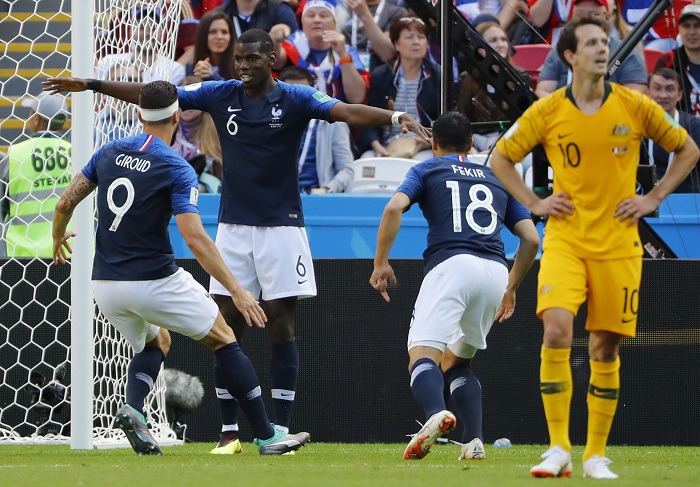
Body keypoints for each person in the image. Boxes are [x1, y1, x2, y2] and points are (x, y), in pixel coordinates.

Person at [44, 28, 430, 454]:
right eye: (238, 59)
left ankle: (279, 427)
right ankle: (230, 432)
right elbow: (157, 96)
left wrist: (394, 117)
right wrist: (93, 84)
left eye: (251, 59)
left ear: (272, 60)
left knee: (281, 324)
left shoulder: (297, 98)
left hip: (283, 227)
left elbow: (346, 111)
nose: (243, 66)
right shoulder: (219, 93)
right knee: (227, 325)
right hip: (231, 228)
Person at [51, 80, 311, 457]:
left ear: (139, 115)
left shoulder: (107, 151)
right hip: (154, 280)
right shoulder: (176, 166)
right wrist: (237, 290)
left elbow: (64, 203)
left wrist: (58, 237)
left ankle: (134, 407)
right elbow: (194, 237)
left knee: (158, 341)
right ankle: (268, 436)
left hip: (105, 284)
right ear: (177, 116)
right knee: (224, 338)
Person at [489, 16, 699, 479]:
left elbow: (687, 149)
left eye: (605, 42)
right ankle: (559, 448)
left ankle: (594, 455)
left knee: (605, 348)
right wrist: (534, 202)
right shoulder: (547, 111)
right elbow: (501, 157)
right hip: (565, 240)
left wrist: (654, 197)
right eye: (591, 43)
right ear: (569, 56)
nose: (602, 50)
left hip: (620, 245)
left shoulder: (634, 105)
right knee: (557, 331)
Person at [369, 111, 540, 461]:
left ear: (433, 144)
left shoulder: (426, 168)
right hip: (495, 271)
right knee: (458, 363)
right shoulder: (496, 178)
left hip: (452, 266)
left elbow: (393, 209)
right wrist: (511, 287)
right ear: (472, 144)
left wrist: (381, 262)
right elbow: (531, 239)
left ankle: (435, 412)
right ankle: (474, 440)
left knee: (421, 356)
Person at [0, 92, 71, 258]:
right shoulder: (77, 153)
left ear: (37, 119)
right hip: (71, 251)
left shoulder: (15, 155)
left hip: (24, 255)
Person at [358, 14, 437, 160]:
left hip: (424, 145)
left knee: (420, 164)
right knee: (366, 160)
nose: (416, 42)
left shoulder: (438, 75)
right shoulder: (381, 76)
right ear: (396, 44)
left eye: (421, 37)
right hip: (386, 145)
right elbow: (369, 119)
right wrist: (376, 145)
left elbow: (446, 121)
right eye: (409, 37)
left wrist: (428, 141)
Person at [535, 0, 648, 99]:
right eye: (580, 15)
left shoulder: (626, 52)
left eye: (594, 14)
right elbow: (542, 91)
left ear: (607, 17)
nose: (586, 20)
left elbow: (635, 97)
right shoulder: (559, 51)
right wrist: (568, 109)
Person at [456, 21, 531, 152]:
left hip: (509, 141)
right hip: (475, 141)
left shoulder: (521, 77)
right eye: (493, 40)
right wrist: (469, 147)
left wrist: (496, 149)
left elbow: (524, 123)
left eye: (503, 39)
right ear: (478, 46)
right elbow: (460, 119)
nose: (500, 45)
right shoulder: (465, 79)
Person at [275, 0, 369, 104]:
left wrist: (343, 55)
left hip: (337, 117)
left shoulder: (347, 51)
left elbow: (357, 98)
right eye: (310, 15)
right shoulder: (292, 43)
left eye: (323, 16)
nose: (317, 20)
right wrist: (274, 39)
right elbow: (275, 62)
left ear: (334, 23)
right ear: (302, 22)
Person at [278, 66, 354, 193]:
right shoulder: (268, 122)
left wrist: (327, 189)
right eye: (290, 93)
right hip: (278, 197)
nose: (296, 99)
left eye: (302, 94)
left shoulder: (333, 124)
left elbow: (346, 170)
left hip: (315, 197)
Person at [95, 8, 185, 86]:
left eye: (153, 28)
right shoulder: (108, 62)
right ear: (130, 32)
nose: (147, 34)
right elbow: (95, 100)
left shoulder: (174, 70)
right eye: (141, 28)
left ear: (162, 34)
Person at [645, 68, 700, 193]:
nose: (663, 95)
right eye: (657, 88)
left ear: (679, 94)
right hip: (645, 197)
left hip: (686, 197)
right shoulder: (637, 125)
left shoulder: (694, 126)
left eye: (670, 89)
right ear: (647, 92)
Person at [654, 4, 700, 118]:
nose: (692, 32)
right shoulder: (667, 61)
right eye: (686, 26)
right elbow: (656, 102)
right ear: (679, 29)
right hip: (681, 130)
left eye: (697, 26)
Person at [337, 0, 407, 72]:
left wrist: (364, 14)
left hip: (378, 74)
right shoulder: (344, 9)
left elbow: (388, 54)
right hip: (346, 71)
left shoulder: (396, 12)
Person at [186, 10, 238, 80]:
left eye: (224, 32)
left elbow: (234, 90)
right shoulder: (191, 67)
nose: (219, 37)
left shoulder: (240, 66)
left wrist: (212, 75)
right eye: (213, 32)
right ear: (202, 35)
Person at [217, 0, 299, 43]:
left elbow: (294, 57)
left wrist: (275, 41)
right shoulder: (217, 15)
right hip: (228, 73)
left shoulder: (280, 10)